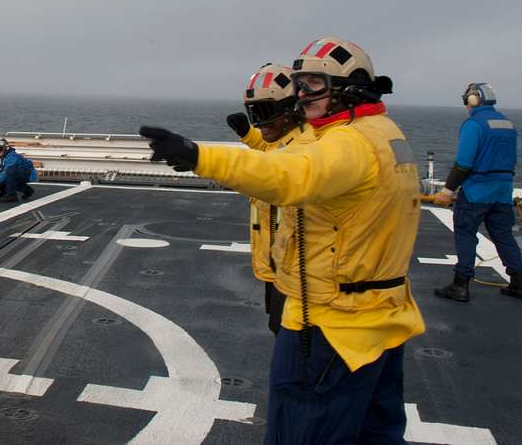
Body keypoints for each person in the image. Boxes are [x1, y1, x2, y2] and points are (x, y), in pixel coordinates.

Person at [141, 37, 422, 444]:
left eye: (313, 85)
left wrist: (198, 155)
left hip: (333, 323)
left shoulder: (349, 143)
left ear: (350, 87)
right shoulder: (382, 132)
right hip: (381, 319)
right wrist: (253, 140)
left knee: (300, 431)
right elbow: (292, 154)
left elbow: (289, 174)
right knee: (374, 433)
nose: (301, 95)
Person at [226, 62, 308, 335]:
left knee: (292, 343)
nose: (259, 122)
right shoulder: (287, 140)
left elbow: (273, 171)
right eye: (253, 114)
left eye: (264, 113)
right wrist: (247, 135)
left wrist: (201, 160)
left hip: (296, 274)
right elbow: (272, 146)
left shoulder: (305, 151)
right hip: (279, 265)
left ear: (291, 109)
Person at [433, 83, 522, 302]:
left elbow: (464, 163)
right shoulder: (508, 124)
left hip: (477, 190)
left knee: (465, 233)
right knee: (503, 235)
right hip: (503, 190)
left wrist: (447, 191)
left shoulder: (473, 124)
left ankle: (460, 285)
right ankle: (518, 283)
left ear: (473, 100)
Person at [0, 138, 36, 203]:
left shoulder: (12, 157)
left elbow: (5, 173)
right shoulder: (3, 157)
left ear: (6, 148)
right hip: (20, 173)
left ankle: (12, 195)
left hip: (28, 175)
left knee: (9, 172)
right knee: (6, 176)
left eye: (0, 149)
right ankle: (27, 190)